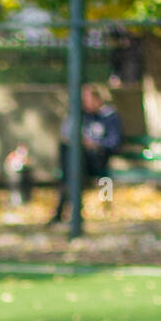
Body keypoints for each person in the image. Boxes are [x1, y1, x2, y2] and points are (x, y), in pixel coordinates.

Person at [49, 84, 124, 224]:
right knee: (67, 151)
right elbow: (66, 134)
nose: (83, 104)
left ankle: (63, 210)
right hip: (79, 161)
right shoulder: (81, 115)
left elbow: (115, 143)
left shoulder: (109, 116)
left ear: (97, 99)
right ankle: (72, 208)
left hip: (98, 159)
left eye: (86, 100)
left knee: (71, 166)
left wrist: (95, 144)